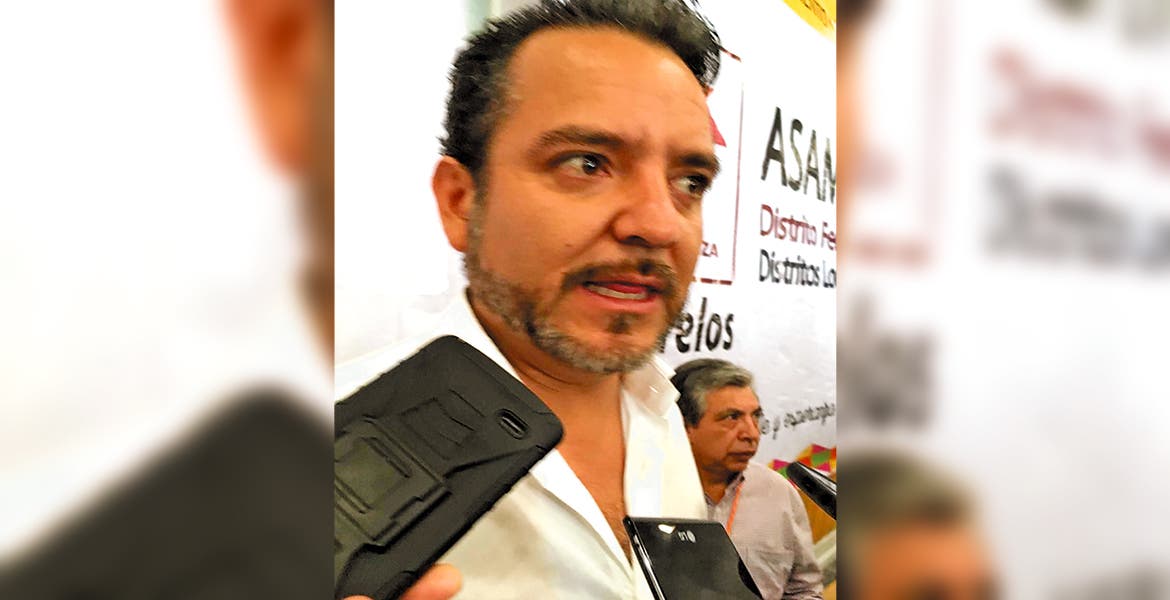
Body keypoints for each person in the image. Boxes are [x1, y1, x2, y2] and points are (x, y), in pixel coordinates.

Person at [335, 0, 724, 597]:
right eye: (587, 164)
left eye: (689, 182)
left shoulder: (665, 405)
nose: (660, 223)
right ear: (461, 202)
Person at [672, 358, 824, 600]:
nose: (752, 433)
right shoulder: (646, 492)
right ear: (684, 425)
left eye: (755, 417)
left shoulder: (778, 492)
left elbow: (804, 590)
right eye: (732, 417)